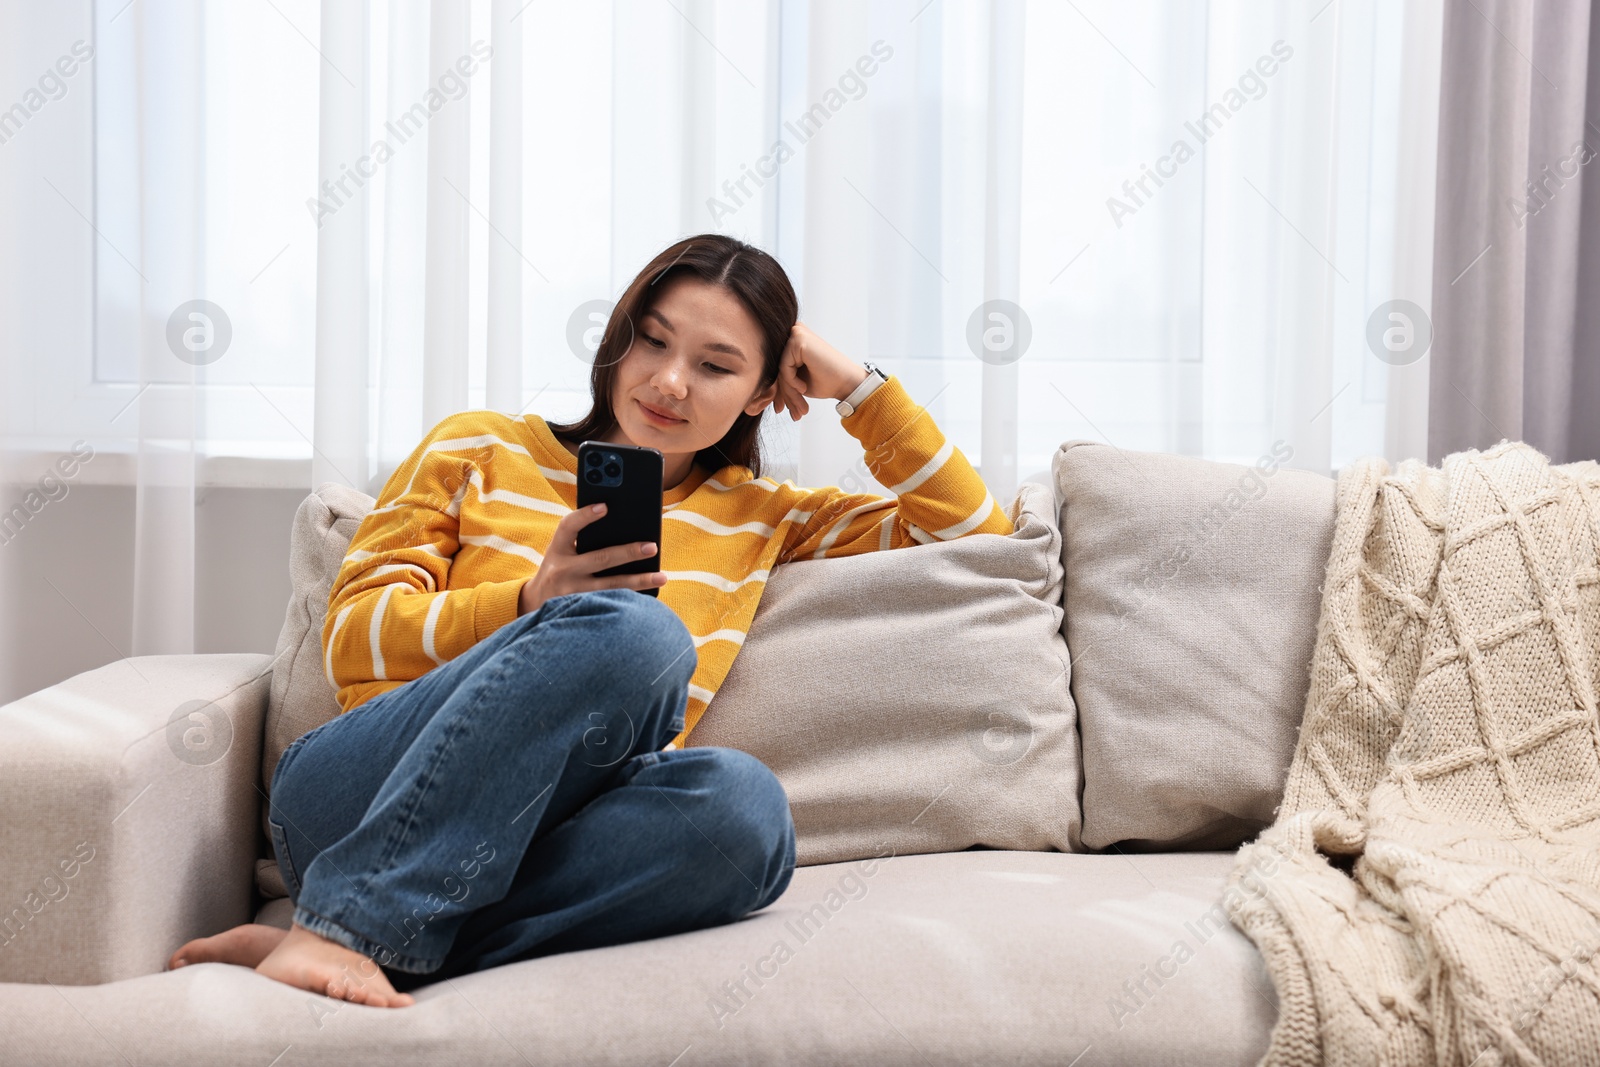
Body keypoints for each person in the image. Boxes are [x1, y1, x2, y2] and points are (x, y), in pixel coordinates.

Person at [166, 233, 1014, 1006]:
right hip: (357, 795)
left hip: (551, 838)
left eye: (717, 366)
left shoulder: (766, 514)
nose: (668, 380)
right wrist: (530, 606)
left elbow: (978, 536)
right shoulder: (478, 447)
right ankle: (353, 919)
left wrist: (859, 387)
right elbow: (353, 637)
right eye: (652, 340)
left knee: (748, 815)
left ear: (762, 394)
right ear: (619, 340)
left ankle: (346, 934)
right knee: (638, 632)